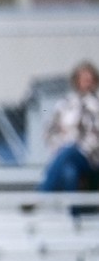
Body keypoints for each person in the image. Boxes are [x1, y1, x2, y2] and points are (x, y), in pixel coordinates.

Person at [39, 60, 99, 193]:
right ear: (77, 81)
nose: (87, 83)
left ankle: (40, 195)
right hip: (65, 153)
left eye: (90, 80)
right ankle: (73, 213)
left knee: (70, 150)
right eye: (83, 80)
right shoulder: (65, 104)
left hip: (91, 157)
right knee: (69, 173)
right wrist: (61, 145)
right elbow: (50, 131)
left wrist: (79, 147)